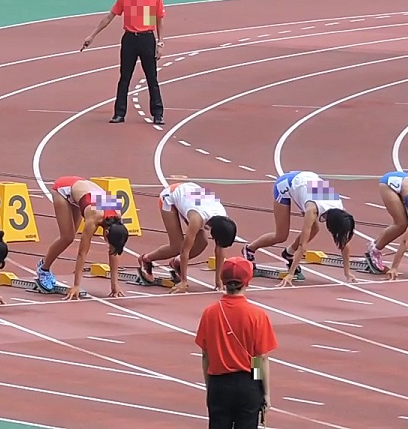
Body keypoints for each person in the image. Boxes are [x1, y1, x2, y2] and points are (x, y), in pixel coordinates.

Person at [195, 257, 276, 429]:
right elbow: (259, 358)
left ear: (223, 281)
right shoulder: (257, 315)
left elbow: (205, 355)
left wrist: (211, 386)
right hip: (247, 383)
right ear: (247, 281)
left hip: (219, 383)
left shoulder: (210, 313)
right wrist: (262, 391)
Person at [80, 0, 165, 126]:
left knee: (151, 78)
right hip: (130, 39)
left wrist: (160, 43)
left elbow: (159, 20)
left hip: (147, 38)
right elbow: (109, 17)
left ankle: (158, 113)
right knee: (124, 77)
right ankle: (119, 113)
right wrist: (92, 35)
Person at [241, 170, 357, 286]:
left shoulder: (339, 208)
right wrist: (290, 274)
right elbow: (303, 245)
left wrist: (347, 272)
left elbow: (344, 242)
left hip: (308, 184)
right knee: (281, 236)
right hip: (286, 184)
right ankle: (250, 249)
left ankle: (288, 253)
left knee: (315, 229)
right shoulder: (312, 210)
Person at [36, 176, 130, 299]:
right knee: (67, 237)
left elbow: (114, 252)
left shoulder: (117, 216)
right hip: (63, 189)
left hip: (82, 192)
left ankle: (44, 267)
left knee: (71, 234)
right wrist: (76, 285)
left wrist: (114, 285)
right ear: (106, 232)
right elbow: (82, 253)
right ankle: (43, 268)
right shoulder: (94, 217)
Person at [138, 182, 237, 294]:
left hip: (192, 197)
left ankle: (177, 263)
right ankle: (146, 259)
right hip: (170, 196)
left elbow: (220, 250)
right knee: (177, 246)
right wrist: (184, 281)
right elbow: (185, 250)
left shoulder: (223, 218)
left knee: (202, 242)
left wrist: (218, 280)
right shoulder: (196, 219)